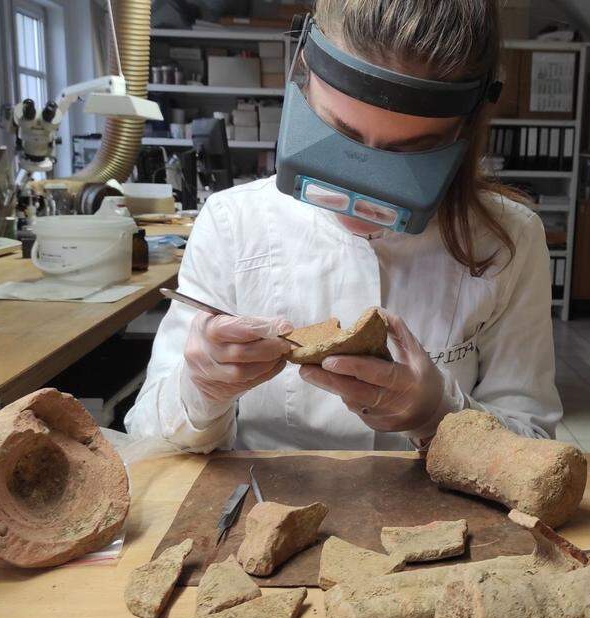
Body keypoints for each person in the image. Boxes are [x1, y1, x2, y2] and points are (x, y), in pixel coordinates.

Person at [125, 0, 562, 452]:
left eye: (411, 153)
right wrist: (201, 390)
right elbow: (149, 440)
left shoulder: (509, 241)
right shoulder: (234, 224)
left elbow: (531, 447)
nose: (360, 201)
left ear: (465, 128)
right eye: (340, 136)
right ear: (303, 77)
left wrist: (441, 417)